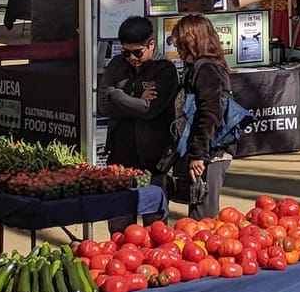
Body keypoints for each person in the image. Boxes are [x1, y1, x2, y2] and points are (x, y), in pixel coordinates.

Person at [168, 14, 233, 213]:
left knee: (202, 216)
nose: (177, 48)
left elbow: (209, 113)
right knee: (197, 209)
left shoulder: (206, 70)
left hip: (210, 155)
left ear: (192, 41)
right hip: (203, 152)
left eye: (180, 43)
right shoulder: (197, 68)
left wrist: (198, 154)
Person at [99, 16, 178, 171]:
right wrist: (136, 101)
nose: (132, 58)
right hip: (119, 152)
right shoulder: (117, 63)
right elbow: (103, 106)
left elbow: (148, 110)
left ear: (151, 45)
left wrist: (115, 95)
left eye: (138, 52)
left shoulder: (164, 69)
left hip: (153, 156)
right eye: (126, 53)